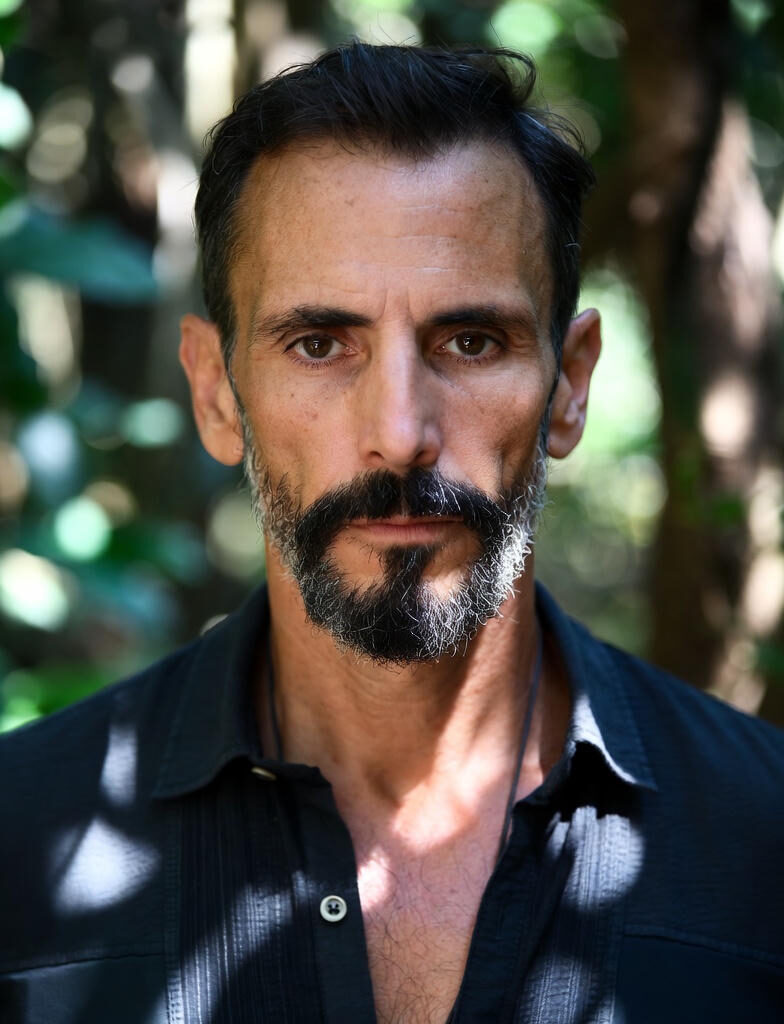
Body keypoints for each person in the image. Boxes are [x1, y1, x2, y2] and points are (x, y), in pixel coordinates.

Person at [1, 41, 783, 1024]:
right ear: (215, 391)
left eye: (469, 341)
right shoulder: (20, 844)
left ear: (568, 385)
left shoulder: (764, 846)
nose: (400, 435)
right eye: (320, 344)